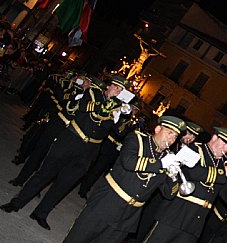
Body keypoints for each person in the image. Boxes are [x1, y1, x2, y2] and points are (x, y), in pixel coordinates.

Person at [25, 115, 185, 243]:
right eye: (170, 132)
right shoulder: (138, 139)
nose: (172, 138)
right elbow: (129, 162)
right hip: (107, 201)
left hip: (130, 214)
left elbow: (168, 194)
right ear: (158, 129)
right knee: (75, 242)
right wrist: (161, 165)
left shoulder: (166, 159)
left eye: (176, 136)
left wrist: (174, 175)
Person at [1, 76, 131, 229]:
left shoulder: (118, 108)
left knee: (64, 184)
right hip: (70, 141)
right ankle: (16, 203)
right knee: (44, 174)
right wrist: (110, 106)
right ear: (108, 87)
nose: (118, 91)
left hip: (89, 151)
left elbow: (119, 132)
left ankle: (41, 213)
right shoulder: (93, 93)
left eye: (121, 90)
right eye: (116, 87)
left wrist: (121, 116)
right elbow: (88, 108)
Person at [117, 120, 204, 243]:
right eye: (188, 134)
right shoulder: (171, 146)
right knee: (140, 219)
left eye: (193, 137)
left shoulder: (194, 153)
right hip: (151, 184)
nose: (190, 138)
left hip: (167, 190)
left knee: (148, 224)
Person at [78, 97, 142, 199]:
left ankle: (90, 192)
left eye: (136, 110)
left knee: (104, 172)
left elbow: (130, 136)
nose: (134, 111)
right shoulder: (120, 114)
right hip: (107, 143)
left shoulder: (134, 123)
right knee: (95, 168)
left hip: (116, 149)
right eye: (133, 108)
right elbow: (115, 128)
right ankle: (83, 187)